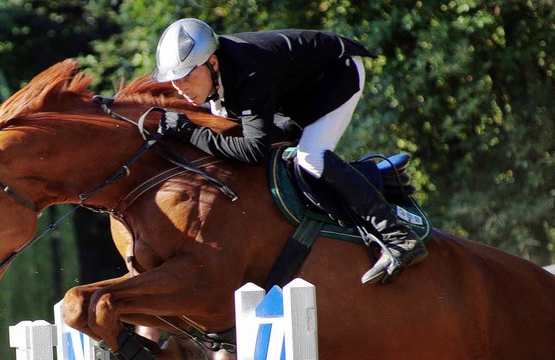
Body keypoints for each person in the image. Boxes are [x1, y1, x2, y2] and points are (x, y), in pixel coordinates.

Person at [154, 18, 428, 284]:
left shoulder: (248, 74)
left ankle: (398, 237)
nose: (181, 88)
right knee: (289, 155)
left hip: (337, 74)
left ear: (212, 62)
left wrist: (190, 131)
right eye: (175, 81)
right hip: (298, 90)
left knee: (311, 159)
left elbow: (253, 151)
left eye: (188, 76)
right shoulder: (223, 73)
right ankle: (376, 176)